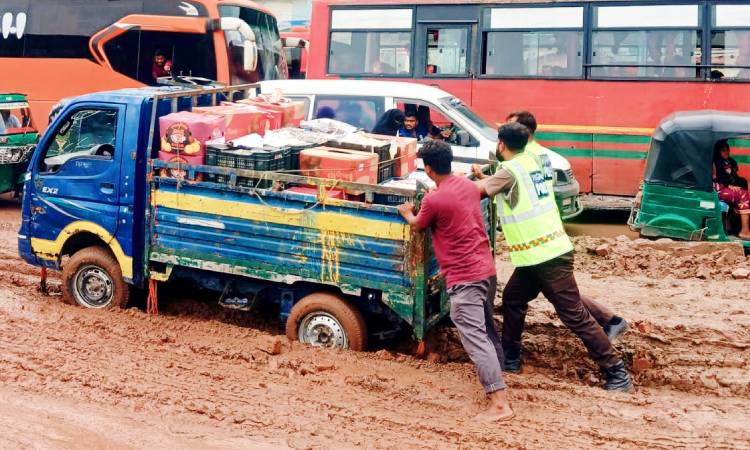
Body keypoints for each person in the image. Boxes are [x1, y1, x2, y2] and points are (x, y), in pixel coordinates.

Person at [476, 122, 633, 392]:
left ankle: (617, 372)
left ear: (501, 144)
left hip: (548, 256)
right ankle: (510, 359)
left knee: (574, 315)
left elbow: (479, 190)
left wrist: (456, 182)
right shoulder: (532, 160)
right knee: (513, 298)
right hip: (537, 255)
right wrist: (485, 177)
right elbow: (498, 184)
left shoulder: (510, 170)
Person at [398, 140, 514, 422]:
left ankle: (499, 404)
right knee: (485, 328)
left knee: (475, 339)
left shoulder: (433, 200)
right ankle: (499, 371)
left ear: (428, 169)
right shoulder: (466, 185)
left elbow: (418, 225)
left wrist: (407, 212)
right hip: (485, 269)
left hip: (465, 278)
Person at [501, 110, 630, 341]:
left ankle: (609, 337)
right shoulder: (540, 154)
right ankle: (610, 320)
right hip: (547, 233)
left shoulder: (524, 158)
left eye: (510, 127)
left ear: (524, 133)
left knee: (561, 297)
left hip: (538, 240)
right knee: (558, 292)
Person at [714, 140, 750, 239]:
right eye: (723, 150)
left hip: (723, 187)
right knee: (743, 194)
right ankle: (744, 231)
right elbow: (719, 177)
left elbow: (733, 174)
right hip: (717, 189)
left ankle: (734, 224)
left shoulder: (728, 161)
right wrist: (729, 185)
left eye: (727, 150)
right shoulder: (717, 162)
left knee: (742, 183)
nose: (726, 152)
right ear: (718, 151)